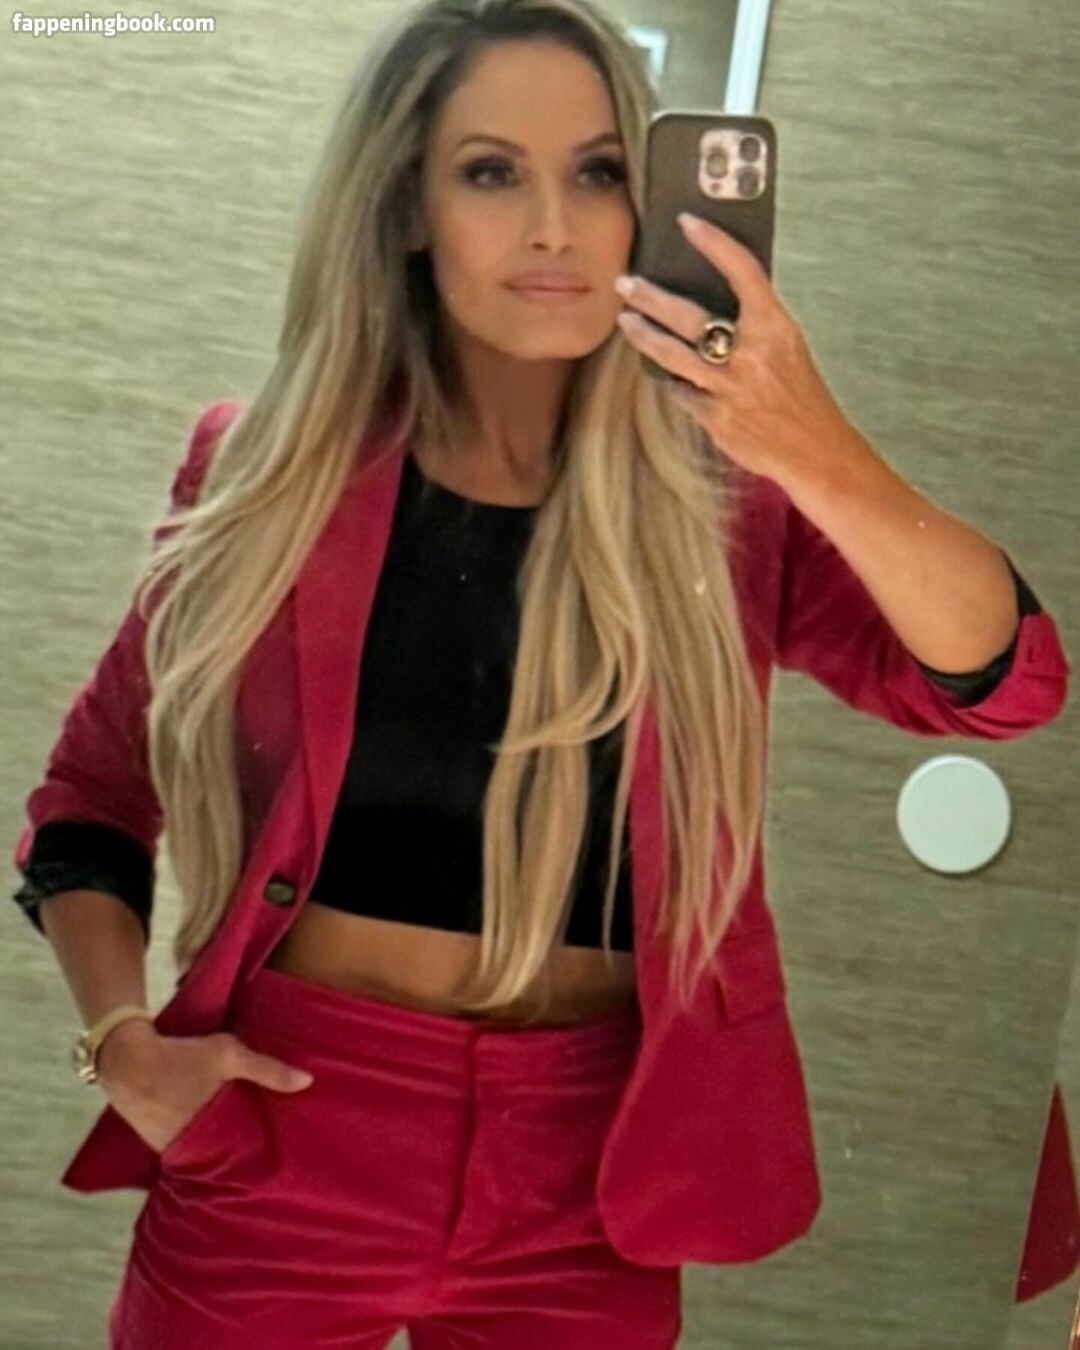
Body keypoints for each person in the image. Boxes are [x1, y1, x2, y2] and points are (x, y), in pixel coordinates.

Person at [10, 1, 1071, 1346]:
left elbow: (1006, 683)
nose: (555, 227)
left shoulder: (727, 505)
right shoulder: (264, 471)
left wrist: (811, 443)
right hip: (284, 1126)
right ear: (409, 204)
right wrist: (120, 1041)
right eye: (492, 172)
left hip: (587, 1172)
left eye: (599, 171)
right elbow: (90, 798)